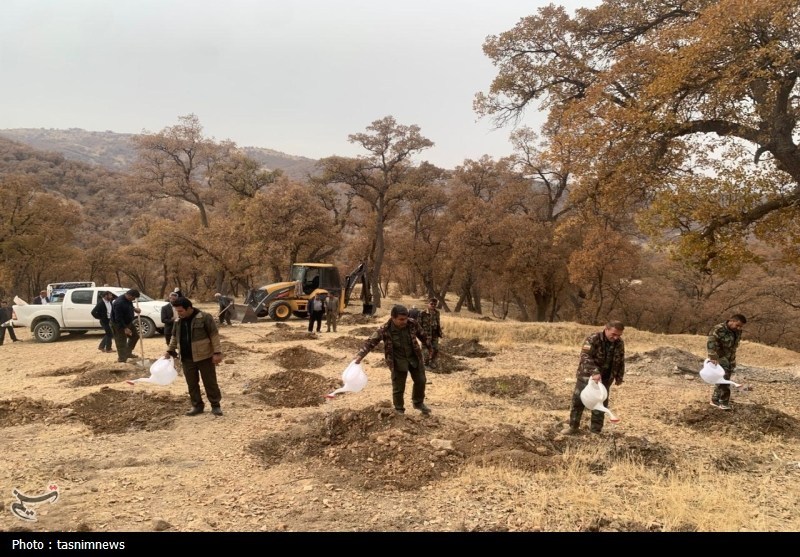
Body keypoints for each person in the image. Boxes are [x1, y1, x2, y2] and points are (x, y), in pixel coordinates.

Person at [354, 304, 433, 415]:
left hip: (414, 358)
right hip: (397, 361)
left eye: (405, 318)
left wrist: (430, 348)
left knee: (421, 381)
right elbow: (370, 342)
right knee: (398, 386)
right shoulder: (384, 329)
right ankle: (399, 409)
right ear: (393, 318)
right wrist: (360, 356)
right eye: (401, 319)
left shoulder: (412, 323)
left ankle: (418, 403)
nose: (404, 321)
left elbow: (423, 335)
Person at [564, 320, 625, 435]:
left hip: (605, 379)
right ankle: (573, 427)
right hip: (586, 377)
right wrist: (595, 371)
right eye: (614, 334)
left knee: (600, 404)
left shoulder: (619, 342)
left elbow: (620, 359)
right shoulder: (593, 338)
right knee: (578, 402)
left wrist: (619, 376)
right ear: (606, 329)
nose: (616, 337)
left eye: (619, 335)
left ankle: (595, 431)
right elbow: (585, 356)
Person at [165, 297, 224, 417]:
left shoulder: (204, 317)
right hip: (186, 358)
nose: (178, 313)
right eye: (177, 311)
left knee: (210, 382)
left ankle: (215, 405)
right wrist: (170, 350)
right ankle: (197, 406)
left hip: (204, 357)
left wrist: (217, 353)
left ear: (189, 308)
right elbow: (174, 337)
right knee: (192, 384)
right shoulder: (178, 321)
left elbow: (214, 335)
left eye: (181, 311)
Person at [707, 314, 747, 411]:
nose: (739, 328)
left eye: (741, 326)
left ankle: (715, 399)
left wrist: (732, 360)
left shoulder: (737, 331)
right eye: (737, 325)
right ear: (731, 321)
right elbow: (711, 343)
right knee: (725, 378)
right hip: (719, 357)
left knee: (722, 378)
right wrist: (713, 357)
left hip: (730, 358)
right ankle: (723, 402)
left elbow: (733, 346)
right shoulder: (718, 329)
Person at [110, 289, 141, 363]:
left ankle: (127, 353)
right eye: (133, 298)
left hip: (128, 323)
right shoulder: (119, 303)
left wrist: (134, 309)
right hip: (119, 324)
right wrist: (125, 328)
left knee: (135, 336)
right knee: (121, 341)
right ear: (129, 295)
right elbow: (118, 318)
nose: (134, 300)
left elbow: (129, 306)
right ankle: (122, 359)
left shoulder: (128, 300)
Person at [418, 298, 443, 369]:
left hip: (435, 334)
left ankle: (432, 362)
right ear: (428, 304)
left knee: (435, 349)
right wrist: (421, 334)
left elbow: (438, 323)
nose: (433, 305)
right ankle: (425, 364)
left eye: (435, 304)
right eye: (431, 304)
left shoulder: (437, 313)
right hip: (426, 335)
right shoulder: (422, 313)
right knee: (425, 349)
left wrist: (439, 331)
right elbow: (419, 325)